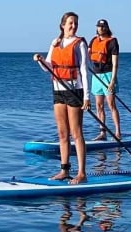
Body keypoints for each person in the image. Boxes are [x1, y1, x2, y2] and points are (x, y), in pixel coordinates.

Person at [33, 12, 92, 182]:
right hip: (58, 90)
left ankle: (82, 173)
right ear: (62, 25)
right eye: (70, 23)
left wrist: (86, 97)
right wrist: (40, 60)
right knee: (62, 132)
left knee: (76, 132)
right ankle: (64, 170)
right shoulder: (55, 43)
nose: (73, 26)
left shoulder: (79, 44)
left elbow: (83, 70)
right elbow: (48, 67)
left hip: (75, 90)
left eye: (75, 23)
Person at [88, 19, 121, 140]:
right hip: (96, 75)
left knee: (111, 104)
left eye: (103, 27)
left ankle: (118, 132)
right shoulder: (93, 40)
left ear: (107, 28)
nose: (100, 29)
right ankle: (103, 132)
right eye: (99, 27)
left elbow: (115, 63)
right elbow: (86, 55)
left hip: (108, 75)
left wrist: (112, 81)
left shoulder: (113, 42)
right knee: (99, 105)